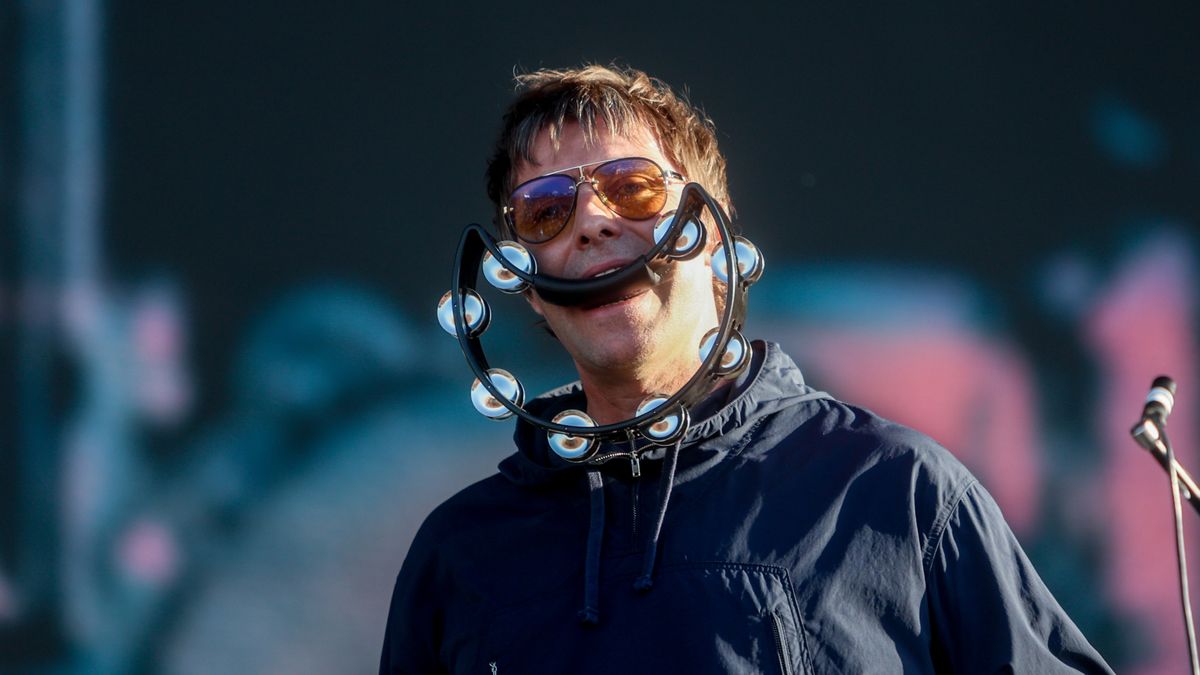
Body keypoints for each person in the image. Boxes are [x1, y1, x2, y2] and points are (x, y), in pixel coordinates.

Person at [379, 64, 1113, 673]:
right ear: (523, 278)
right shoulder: (461, 554)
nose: (592, 222)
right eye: (544, 211)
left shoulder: (895, 491)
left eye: (632, 188)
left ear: (713, 233)